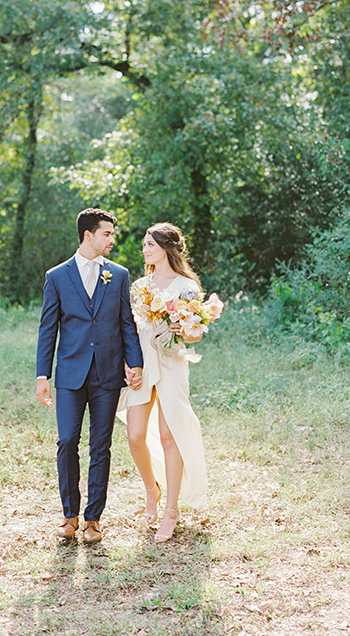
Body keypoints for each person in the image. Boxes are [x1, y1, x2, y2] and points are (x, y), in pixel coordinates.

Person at [36, 208, 143, 544]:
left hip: (107, 373)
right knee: (67, 441)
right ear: (88, 235)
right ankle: (70, 516)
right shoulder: (57, 276)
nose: (112, 240)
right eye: (107, 234)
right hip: (69, 374)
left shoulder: (119, 275)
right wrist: (43, 375)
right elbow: (47, 329)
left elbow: (127, 322)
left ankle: (93, 519)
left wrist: (134, 362)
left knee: (101, 446)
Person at [117, 222, 208, 543]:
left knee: (170, 436)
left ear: (167, 248)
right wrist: (130, 364)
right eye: (144, 245)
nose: (145, 250)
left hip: (171, 362)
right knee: (135, 435)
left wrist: (188, 329)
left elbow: (196, 331)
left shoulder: (187, 287)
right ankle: (151, 489)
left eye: (150, 245)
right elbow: (128, 329)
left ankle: (171, 509)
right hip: (142, 361)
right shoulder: (140, 285)